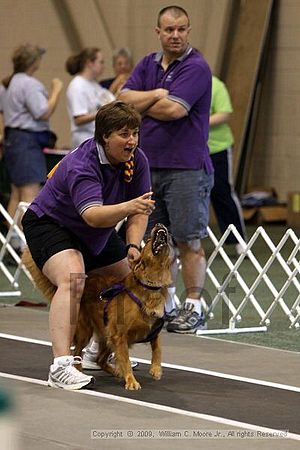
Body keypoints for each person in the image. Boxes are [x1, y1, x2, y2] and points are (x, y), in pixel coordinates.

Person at [21, 101, 155, 390]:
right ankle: (61, 366)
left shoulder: (138, 160)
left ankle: (99, 351)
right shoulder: (83, 164)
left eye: (134, 133)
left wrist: (132, 245)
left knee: (128, 280)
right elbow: (92, 216)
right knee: (73, 277)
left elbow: (140, 211)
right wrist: (130, 205)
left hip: (96, 231)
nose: (131, 140)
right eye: (123, 134)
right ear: (104, 136)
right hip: (51, 223)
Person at [119, 6, 214, 334]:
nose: (175, 35)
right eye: (169, 30)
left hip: (187, 169)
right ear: (158, 31)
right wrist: (155, 94)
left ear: (189, 31)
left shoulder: (197, 68)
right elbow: (122, 100)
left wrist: (144, 102)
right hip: (148, 167)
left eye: (181, 30)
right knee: (156, 243)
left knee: (189, 240)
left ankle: (195, 308)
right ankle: (167, 304)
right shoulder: (147, 63)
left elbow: (174, 110)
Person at [0, 44, 63, 250]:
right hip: (26, 142)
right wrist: (55, 91)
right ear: (34, 62)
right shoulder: (28, 84)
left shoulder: (10, 83)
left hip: (13, 141)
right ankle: (29, 244)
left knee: (16, 194)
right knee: (30, 195)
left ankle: (12, 242)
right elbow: (42, 112)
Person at [209, 76, 246, 254]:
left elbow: (224, 114)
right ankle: (176, 245)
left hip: (217, 148)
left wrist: (198, 122)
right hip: (189, 151)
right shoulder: (178, 84)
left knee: (222, 192)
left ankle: (238, 240)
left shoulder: (216, 85)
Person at [66, 47, 115, 148]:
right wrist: (103, 112)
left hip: (97, 138)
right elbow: (79, 119)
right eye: (101, 62)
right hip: (85, 140)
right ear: (90, 63)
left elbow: (111, 101)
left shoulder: (94, 85)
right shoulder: (77, 85)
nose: (103, 66)